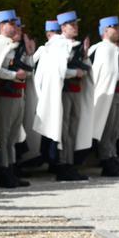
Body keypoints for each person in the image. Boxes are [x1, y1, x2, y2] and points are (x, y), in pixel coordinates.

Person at [34, 11, 94, 181]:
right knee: (64, 130)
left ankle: (70, 163)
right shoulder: (57, 45)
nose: (75, 27)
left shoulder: (75, 45)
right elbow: (56, 71)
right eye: (71, 25)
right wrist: (76, 71)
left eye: (76, 24)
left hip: (76, 91)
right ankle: (62, 165)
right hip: (64, 93)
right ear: (63, 27)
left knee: (73, 130)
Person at [0, 10, 29, 188]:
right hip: (5, 95)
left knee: (12, 136)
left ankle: (12, 169)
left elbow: (27, 68)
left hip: (17, 94)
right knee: (3, 136)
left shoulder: (13, 45)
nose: (15, 27)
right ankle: (4, 171)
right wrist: (13, 75)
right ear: (2, 25)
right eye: (11, 23)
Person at [90, 16, 119, 177]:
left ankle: (112, 157)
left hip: (116, 92)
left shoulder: (113, 48)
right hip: (107, 93)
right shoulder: (102, 48)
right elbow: (106, 74)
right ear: (105, 30)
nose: (118, 30)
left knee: (114, 129)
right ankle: (107, 161)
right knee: (107, 130)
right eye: (115, 27)